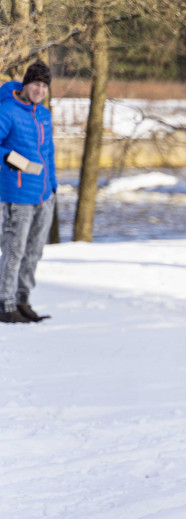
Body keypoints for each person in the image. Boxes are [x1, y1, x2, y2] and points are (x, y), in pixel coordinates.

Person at [0, 61, 57, 324]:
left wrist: (53, 186)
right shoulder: (8, 110)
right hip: (17, 193)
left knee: (34, 252)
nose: (40, 89)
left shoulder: (44, 114)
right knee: (15, 250)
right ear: (25, 84)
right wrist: (13, 160)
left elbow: (49, 154)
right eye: (36, 83)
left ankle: (22, 300)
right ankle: (5, 303)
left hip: (44, 195)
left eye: (44, 85)